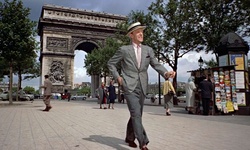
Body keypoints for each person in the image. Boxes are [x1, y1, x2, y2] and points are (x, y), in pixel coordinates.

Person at [107, 22, 175, 150]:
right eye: (138, 32)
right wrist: (118, 78)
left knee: (136, 114)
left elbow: (156, 64)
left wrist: (166, 73)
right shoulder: (124, 50)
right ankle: (143, 142)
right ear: (131, 35)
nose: (141, 34)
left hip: (143, 85)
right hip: (129, 86)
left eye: (142, 31)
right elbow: (111, 63)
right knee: (136, 113)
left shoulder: (148, 50)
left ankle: (129, 137)